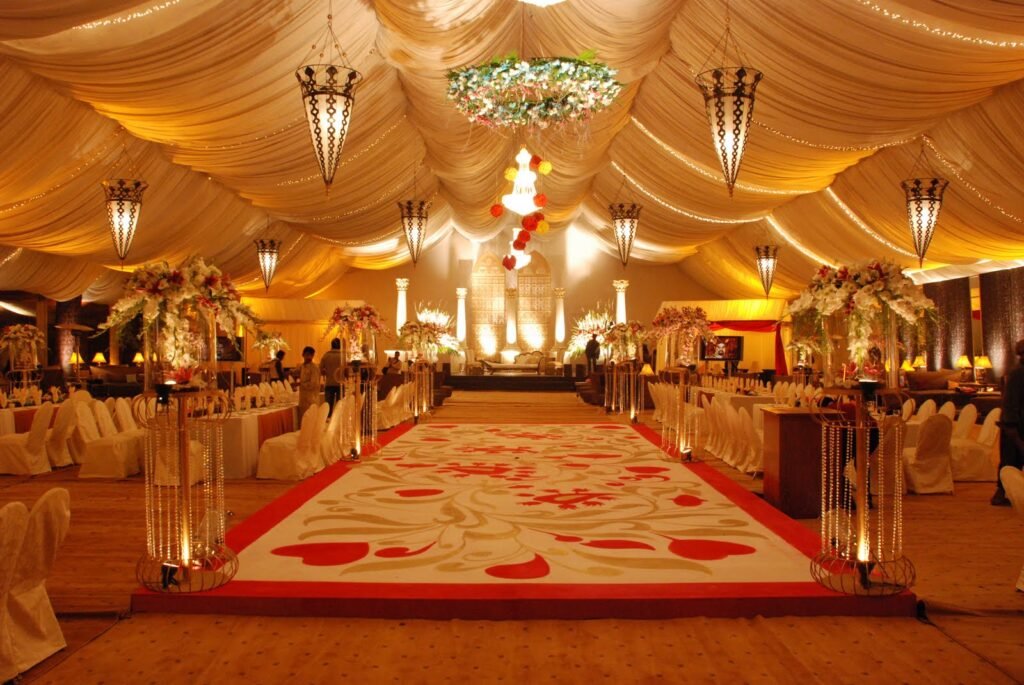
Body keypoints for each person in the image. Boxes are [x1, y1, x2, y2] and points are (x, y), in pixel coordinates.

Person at [993, 339, 1024, 506]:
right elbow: (1010, 402)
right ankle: (1001, 494)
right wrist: (1011, 427)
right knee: (1010, 461)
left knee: (1011, 460)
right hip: (1015, 425)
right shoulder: (1018, 373)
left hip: (1015, 423)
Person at [296, 346, 320, 419]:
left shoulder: (314, 368)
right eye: (307, 355)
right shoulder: (302, 366)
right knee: (303, 419)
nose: (308, 357)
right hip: (302, 397)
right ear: (303, 355)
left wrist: (300, 384)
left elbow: (314, 384)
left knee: (311, 419)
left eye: (310, 355)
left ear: (313, 356)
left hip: (311, 398)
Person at [320, 338, 343, 416]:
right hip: (340, 384)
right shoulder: (343, 356)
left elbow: (320, 369)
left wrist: (326, 372)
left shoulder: (326, 355)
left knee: (328, 407)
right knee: (340, 407)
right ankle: (338, 421)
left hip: (329, 383)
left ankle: (328, 421)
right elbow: (347, 371)